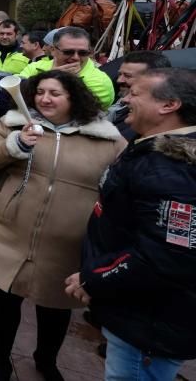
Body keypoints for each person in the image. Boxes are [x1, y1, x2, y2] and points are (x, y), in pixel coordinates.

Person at [0, 71, 124, 381]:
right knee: (2, 300)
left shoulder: (106, 137)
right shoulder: (14, 123)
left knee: (56, 307)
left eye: (55, 93)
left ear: (74, 98)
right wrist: (14, 144)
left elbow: (122, 185)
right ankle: (0, 361)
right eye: (40, 92)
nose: (45, 99)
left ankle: (46, 360)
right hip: (11, 234)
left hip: (67, 242)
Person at [66, 68, 196, 381]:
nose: (125, 98)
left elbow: (166, 255)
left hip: (149, 325)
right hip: (139, 312)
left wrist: (94, 279)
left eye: (135, 93)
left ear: (169, 105)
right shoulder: (151, 150)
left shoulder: (172, 170)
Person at [18, 27, 114, 109]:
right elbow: (14, 94)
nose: (76, 57)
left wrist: (67, 80)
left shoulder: (100, 81)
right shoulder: (35, 67)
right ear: (53, 50)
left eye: (82, 53)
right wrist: (50, 76)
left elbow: (80, 110)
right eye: (68, 52)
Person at [106, 50, 171, 141]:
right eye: (119, 74)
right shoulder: (119, 94)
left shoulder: (143, 120)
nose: (119, 80)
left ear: (153, 79)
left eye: (127, 76)